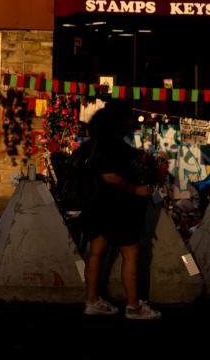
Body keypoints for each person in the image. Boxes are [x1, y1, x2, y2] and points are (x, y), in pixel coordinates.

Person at [82, 101, 161, 320]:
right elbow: (111, 176)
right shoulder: (114, 145)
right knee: (131, 253)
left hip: (96, 205)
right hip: (117, 209)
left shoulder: (95, 143)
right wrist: (136, 188)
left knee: (96, 253)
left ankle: (91, 301)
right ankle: (134, 306)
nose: (132, 122)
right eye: (130, 118)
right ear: (120, 121)